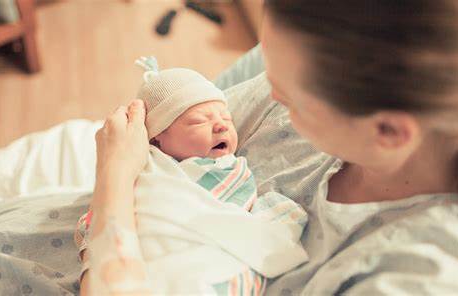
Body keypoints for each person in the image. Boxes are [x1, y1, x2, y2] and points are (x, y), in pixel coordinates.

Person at [85, 0, 458, 295]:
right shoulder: (309, 90)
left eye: (288, 98)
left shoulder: (413, 273)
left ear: (387, 131)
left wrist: (114, 177)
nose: (269, 94)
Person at [76, 59, 308, 295]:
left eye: (227, 118)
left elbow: (232, 209)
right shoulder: (151, 168)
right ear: (157, 139)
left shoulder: (228, 169)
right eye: (198, 121)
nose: (221, 126)